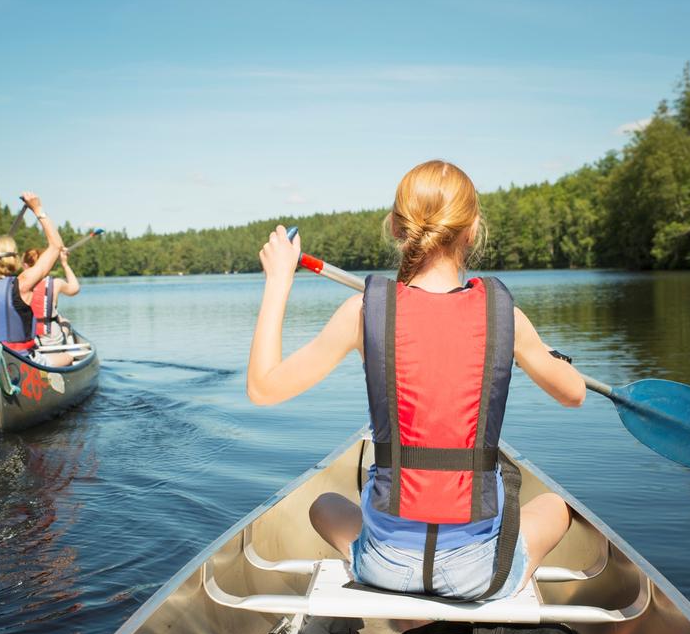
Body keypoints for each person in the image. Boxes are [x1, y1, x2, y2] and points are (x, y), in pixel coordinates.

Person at [246, 160, 586, 601]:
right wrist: (542, 356)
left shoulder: (362, 313)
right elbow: (574, 394)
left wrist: (277, 281)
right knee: (557, 507)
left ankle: (402, 595)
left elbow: (262, 387)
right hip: (477, 577)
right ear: (472, 229)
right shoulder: (507, 319)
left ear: (394, 226)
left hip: (386, 567)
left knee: (322, 506)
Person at [0, 192, 73, 371]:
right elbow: (55, 245)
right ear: (14, 258)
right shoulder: (23, 283)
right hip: (23, 360)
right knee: (68, 357)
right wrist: (38, 210)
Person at [21, 245, 81, 348]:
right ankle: (69, 352)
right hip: (50, 339)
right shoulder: (55, 284)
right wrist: (65, 264)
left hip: (28, 338)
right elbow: (74, 289)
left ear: (25, 266)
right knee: (65, 322)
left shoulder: (18, 284)